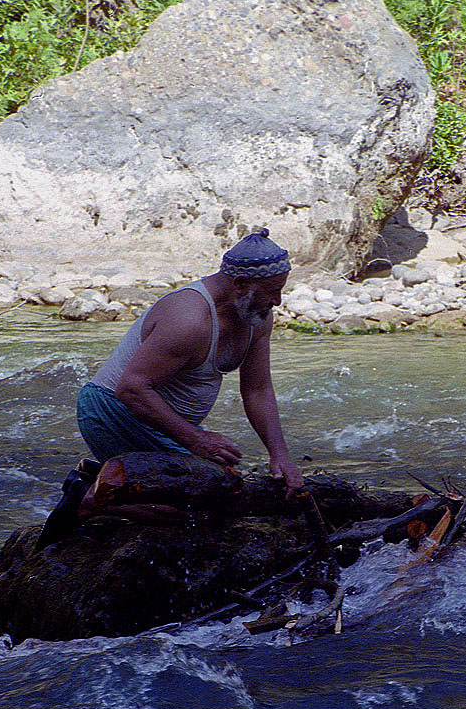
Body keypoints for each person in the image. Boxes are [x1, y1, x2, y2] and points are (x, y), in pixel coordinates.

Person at [38, 229, 303, 547]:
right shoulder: (189, 319)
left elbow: (257, 389)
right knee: (202, 510)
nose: (278, 301)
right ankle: (89, 499)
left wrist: (280, 456)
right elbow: (132, 389)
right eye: (272, 291)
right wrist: (197, 440)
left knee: (227, 492)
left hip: (163, 423)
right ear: (239, 285)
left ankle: (104, 483)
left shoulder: (257, 315)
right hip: (114, 411)